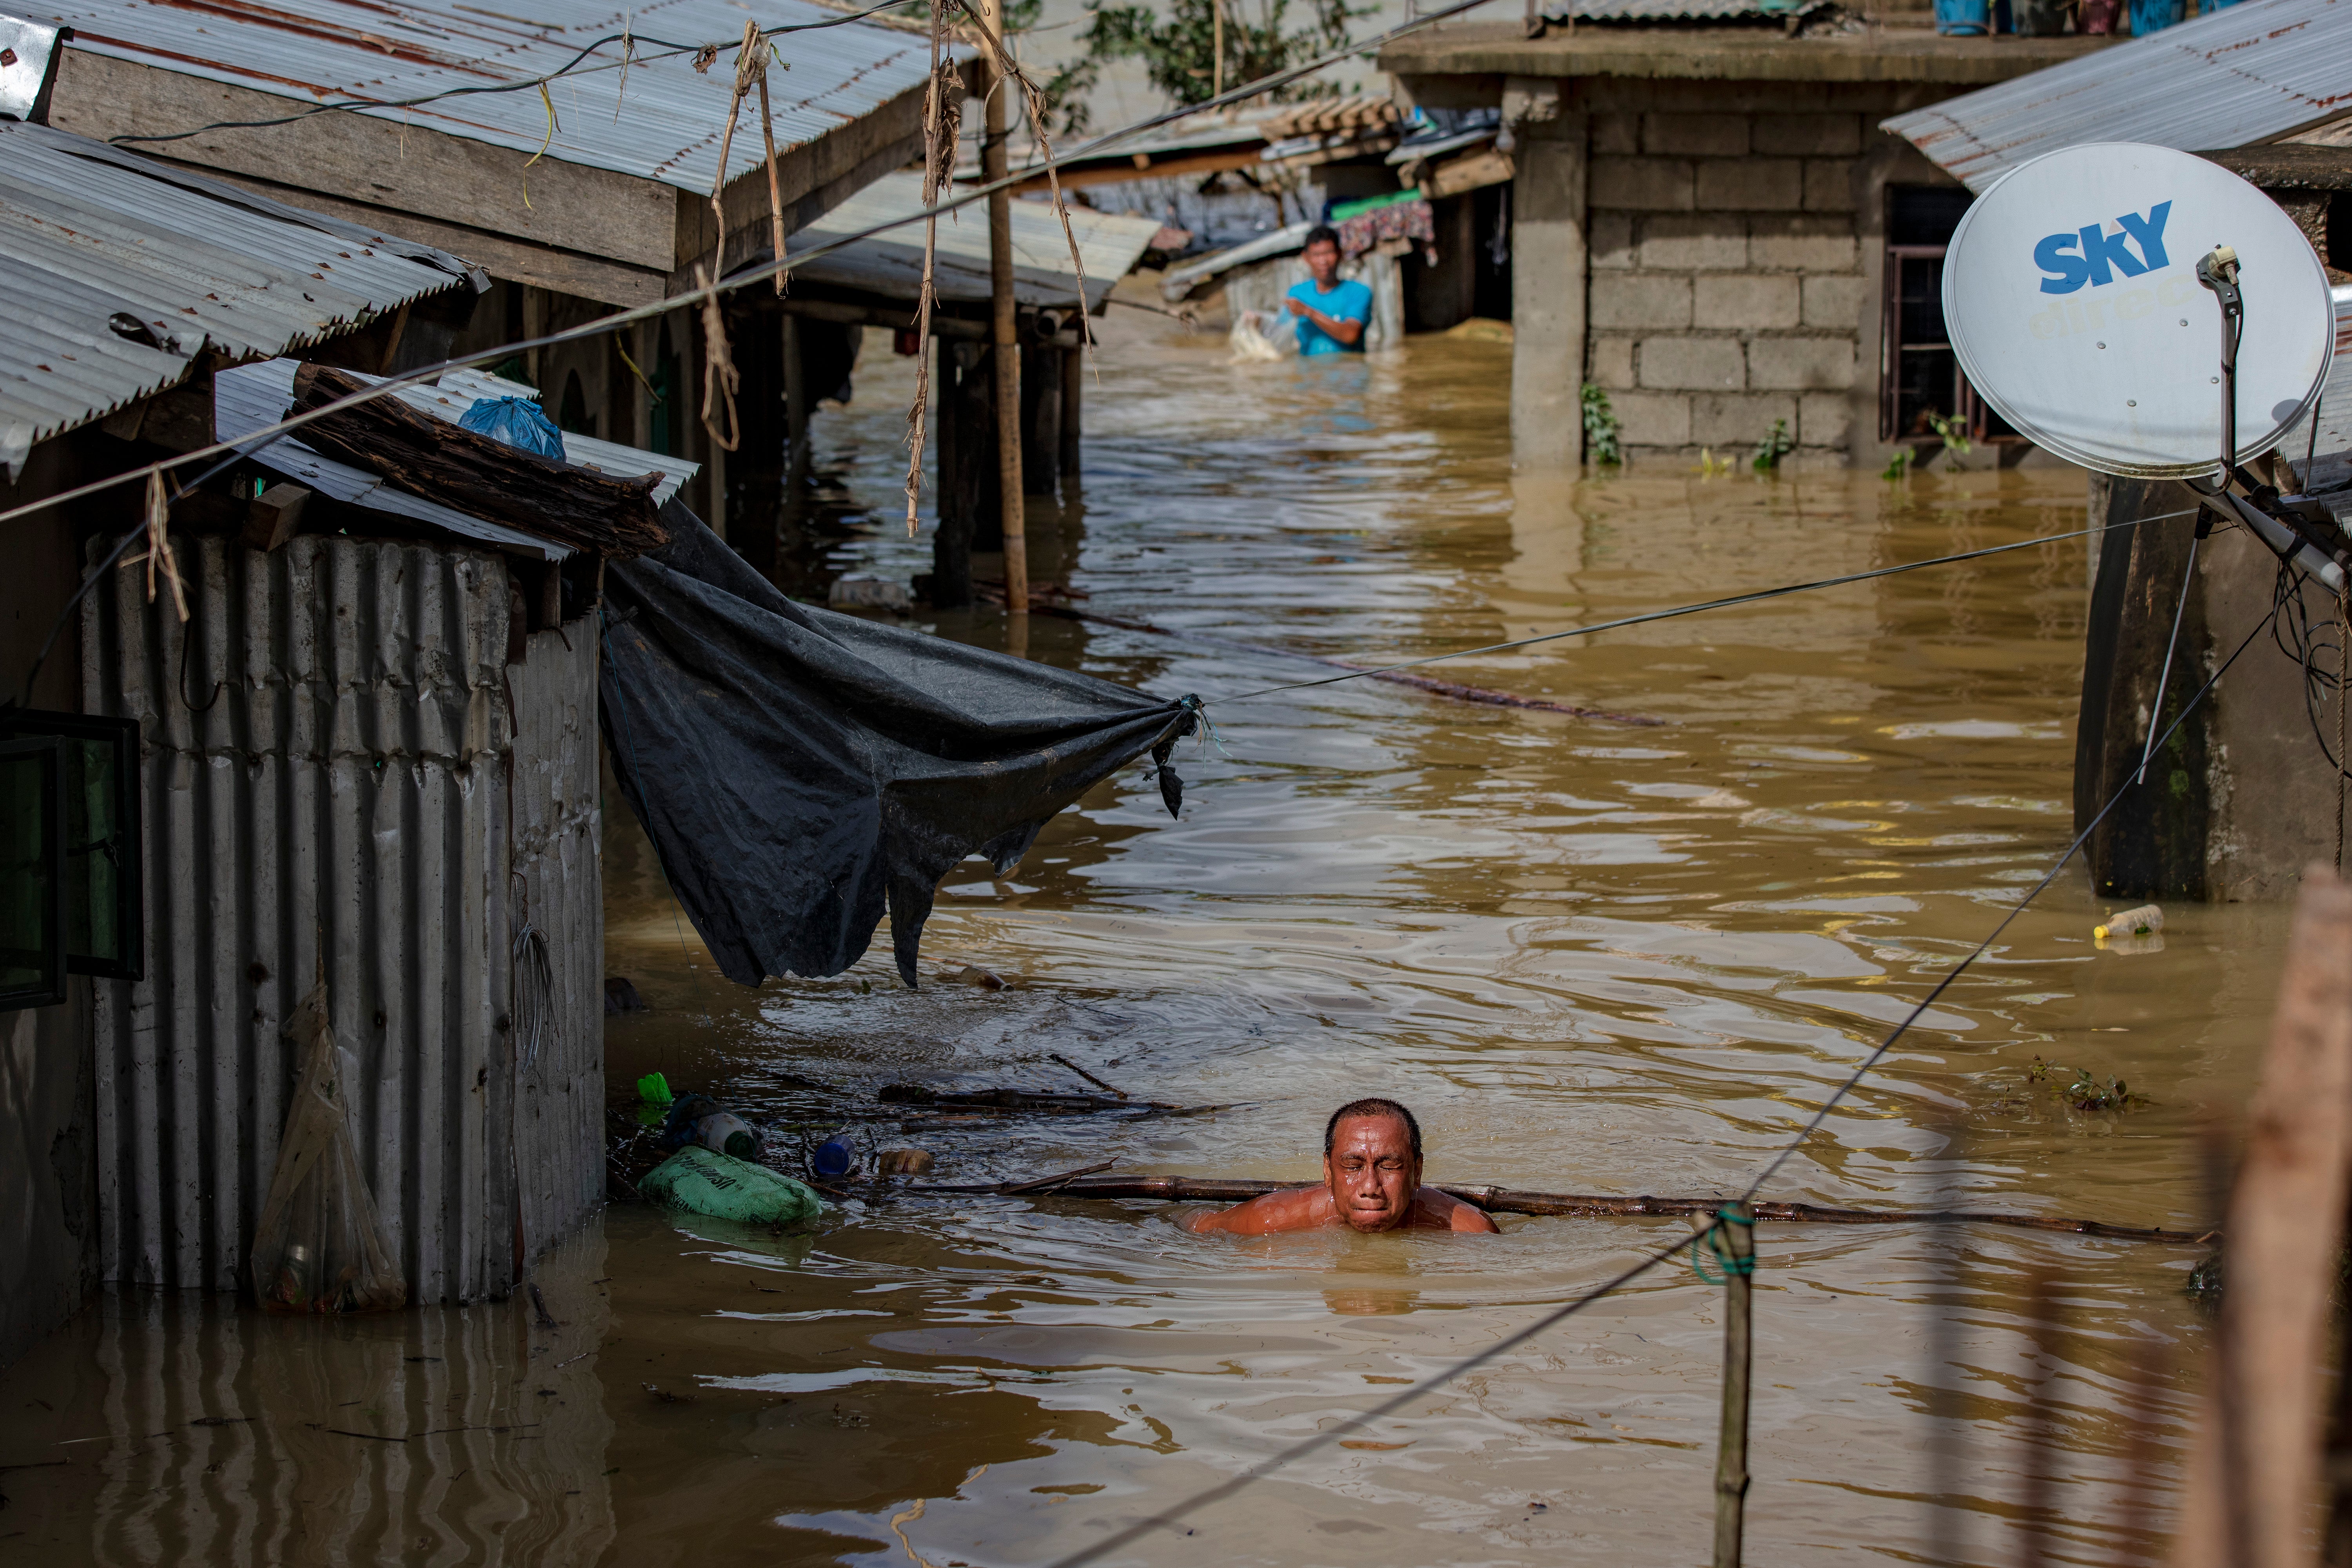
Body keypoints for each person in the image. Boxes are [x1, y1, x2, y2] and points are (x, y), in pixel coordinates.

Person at [1184, 1098, 1500, 1234]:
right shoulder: (1271, 1219)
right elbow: (1194, 1225)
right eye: (1352, 1166)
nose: (1370, 1188)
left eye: (1389, 1167)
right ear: (1327, 1171)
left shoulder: (1469, 1230)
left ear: (1417, 1172)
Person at [1283, 225, 1374, 356]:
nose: (1323, 261)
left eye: (1328, 253)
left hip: (1349, 373)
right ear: (1306, 258)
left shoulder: (1359, 292)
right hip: (1310, 374)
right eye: (1317, 255)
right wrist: (1257, 324)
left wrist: (1308, 312)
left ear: (1339, 254)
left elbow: (1350, 335)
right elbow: (1278, 332)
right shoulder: (1297, 294)